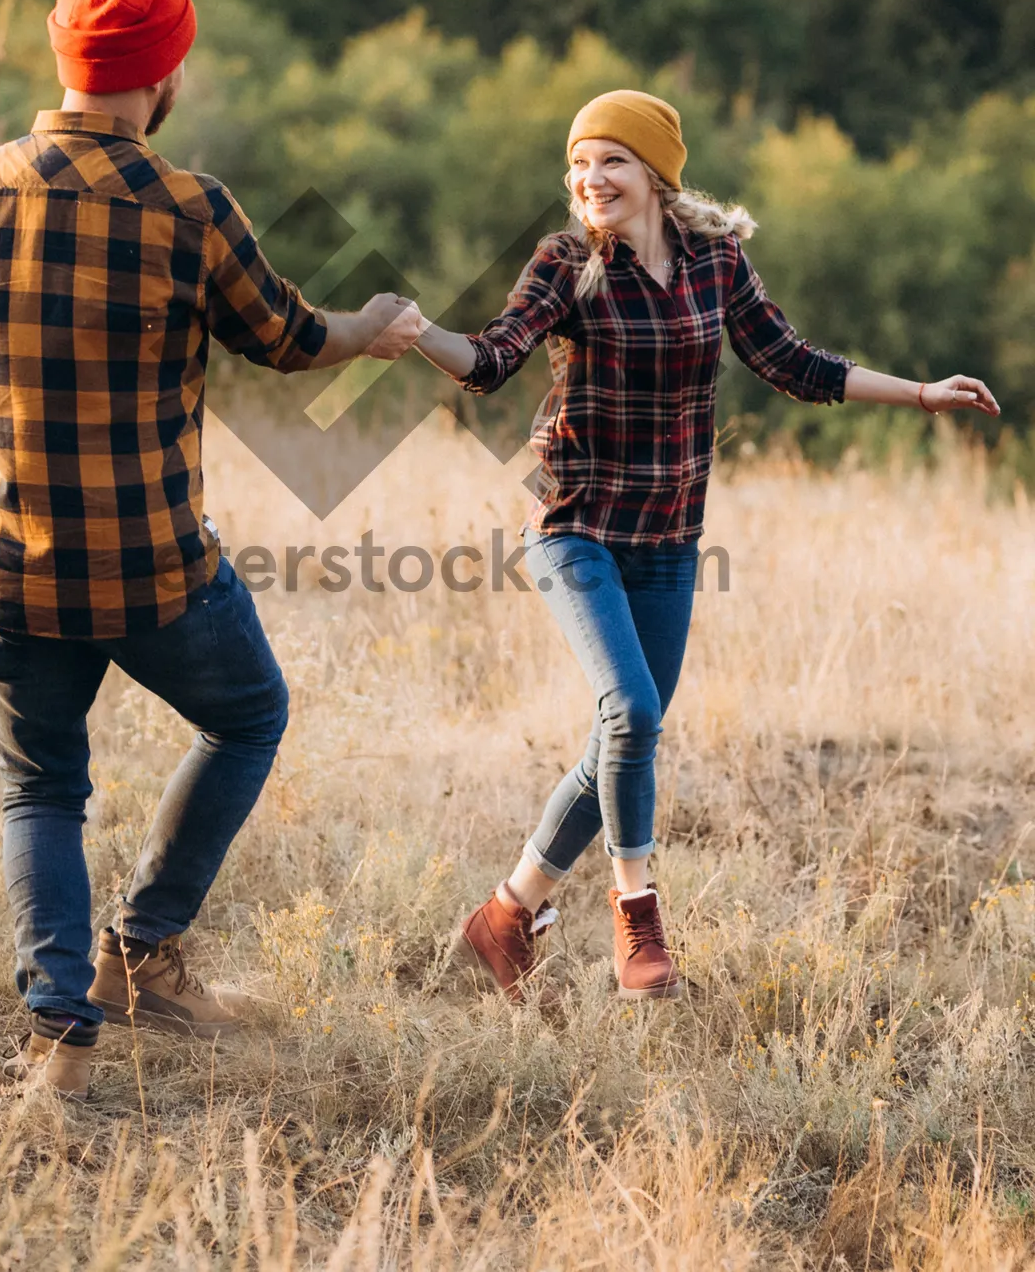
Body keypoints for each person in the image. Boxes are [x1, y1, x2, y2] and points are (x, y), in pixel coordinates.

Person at [0, 0, 424, 1099]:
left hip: (4, 562)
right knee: (249, 713)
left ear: (60, 57)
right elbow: (287, 337)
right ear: (167, 71)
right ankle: (143, 953)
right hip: (152, 571)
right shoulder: (191, 210)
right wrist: (372, 326)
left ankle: (60, 1039)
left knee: (40, 789)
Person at [413, 89, 999, 1003]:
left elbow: (795, 364)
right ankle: (637, 920)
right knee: (633, 715)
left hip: (669, 538)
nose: (589, 178)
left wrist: (921, 393)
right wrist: (421, 336)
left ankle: (504, 917)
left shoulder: (715, 262)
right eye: (578, 162)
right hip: (575, 527)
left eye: (610, 159)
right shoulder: (565, 262)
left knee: (622, 731)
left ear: (654, 171)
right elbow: (492, 361)